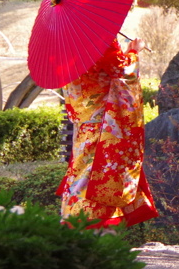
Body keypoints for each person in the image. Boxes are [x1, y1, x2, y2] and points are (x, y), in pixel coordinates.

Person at [57, 37, 157, 228]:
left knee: (82, 169)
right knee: (97, 171)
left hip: (85, 119)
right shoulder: (99, 38)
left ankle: (72, 219)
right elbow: (122, 71)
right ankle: (90, 224)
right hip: (105, 119)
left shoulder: (67, 40)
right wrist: (134, 52)